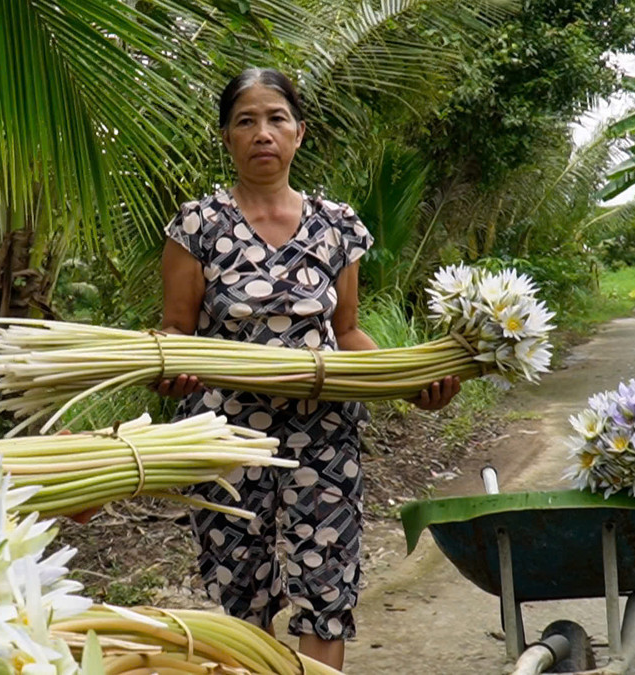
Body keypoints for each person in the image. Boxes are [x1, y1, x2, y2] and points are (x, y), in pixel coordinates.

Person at [158, 68, 461, 669]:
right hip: (226, 436)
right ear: (227, 138)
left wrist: (410, 381)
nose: (262, 133)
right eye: (246, 121)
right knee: (238, 590)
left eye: (275, 119)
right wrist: (168, 369)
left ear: (299, 133)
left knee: (326, 587)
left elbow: (346, 331)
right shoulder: (197, 226)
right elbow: (175, 329)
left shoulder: (336, 225)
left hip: (323, 435)